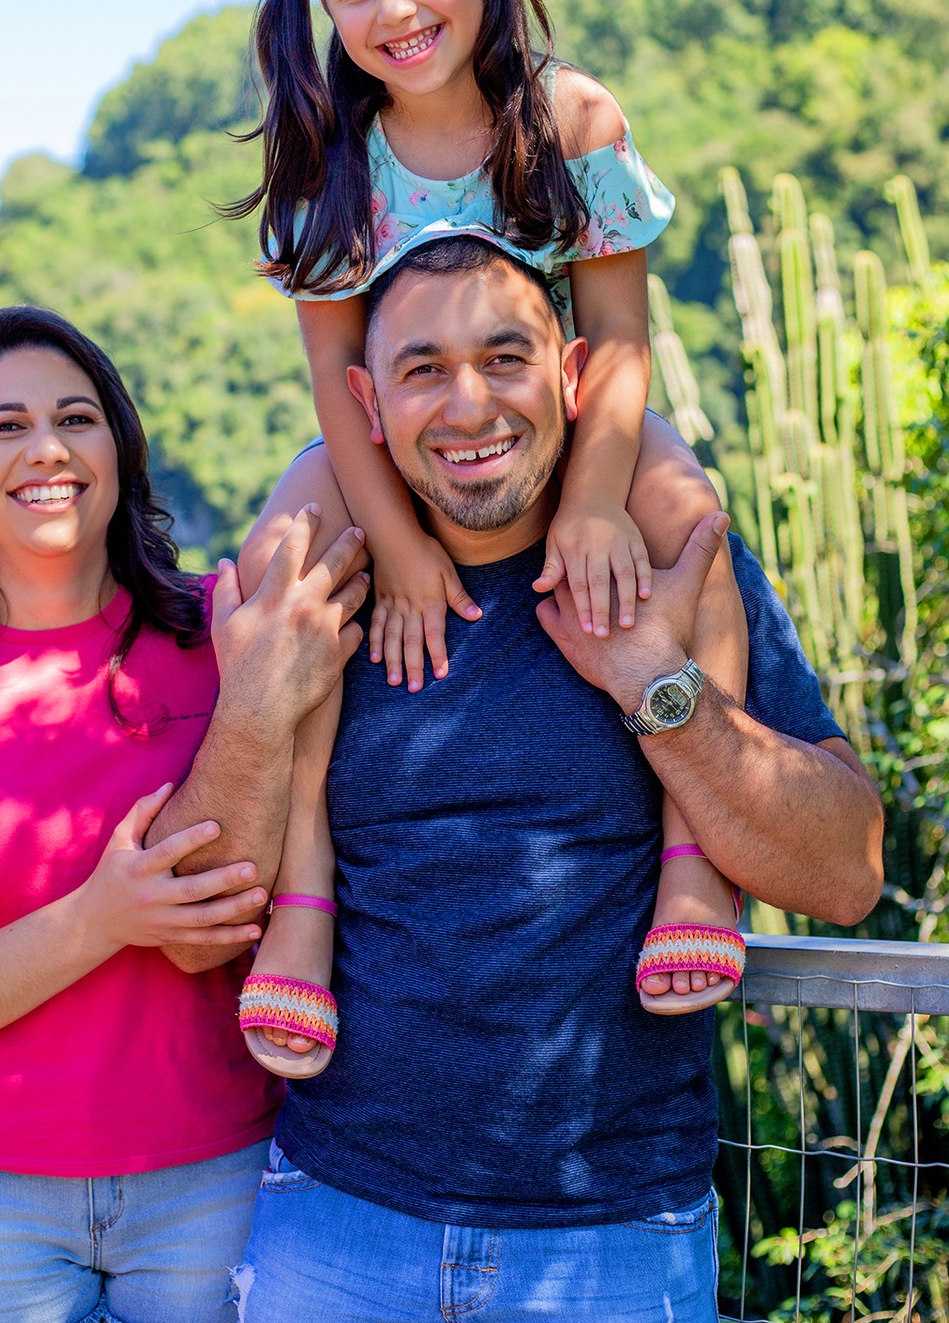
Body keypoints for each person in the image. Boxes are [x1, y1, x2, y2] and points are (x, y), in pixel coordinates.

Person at [223, 236, 884, 1320]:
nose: (471, 405)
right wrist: (251, 705)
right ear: (367, 404)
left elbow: (848, 871)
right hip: (336, 1223)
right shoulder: (324, 590)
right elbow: (212, 887)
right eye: (424, 368)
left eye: (505, 356)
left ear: (572, 377)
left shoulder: (671, 560)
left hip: (613, 1244)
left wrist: (654, 686)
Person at [232, 0, 748, 1057]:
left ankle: (697, 863)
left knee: (694, 521)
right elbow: (337, 381)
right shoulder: (332, 166)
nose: (394, 9)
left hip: (568, 416)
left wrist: (594, 501)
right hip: (395, 440)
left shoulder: (567, 121)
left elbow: (619, 336)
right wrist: (402, 548)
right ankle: (301, 900)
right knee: (279, 559)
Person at [0, 305, 369, 1323]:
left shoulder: (223, 631)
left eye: (78, 417)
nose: (48, 448)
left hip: (217, 1177)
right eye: (4, 426)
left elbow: (346, 451)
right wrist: (97, 917)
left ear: (120, 447)